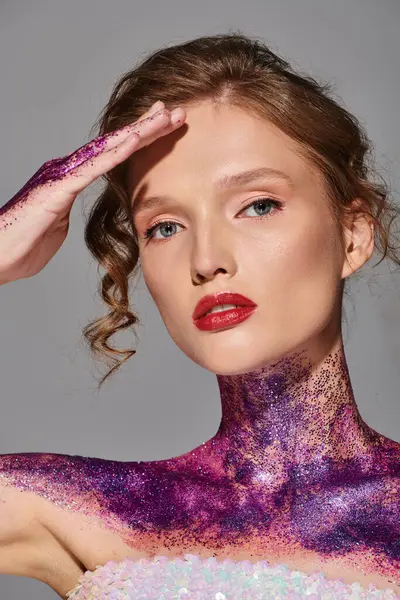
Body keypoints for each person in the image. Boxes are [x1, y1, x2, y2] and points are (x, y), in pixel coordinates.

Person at [0, 32, 399, 599]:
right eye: (165, 227)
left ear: (353, 236)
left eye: (257, 205)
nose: (208, 260)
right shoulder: (84, 510)